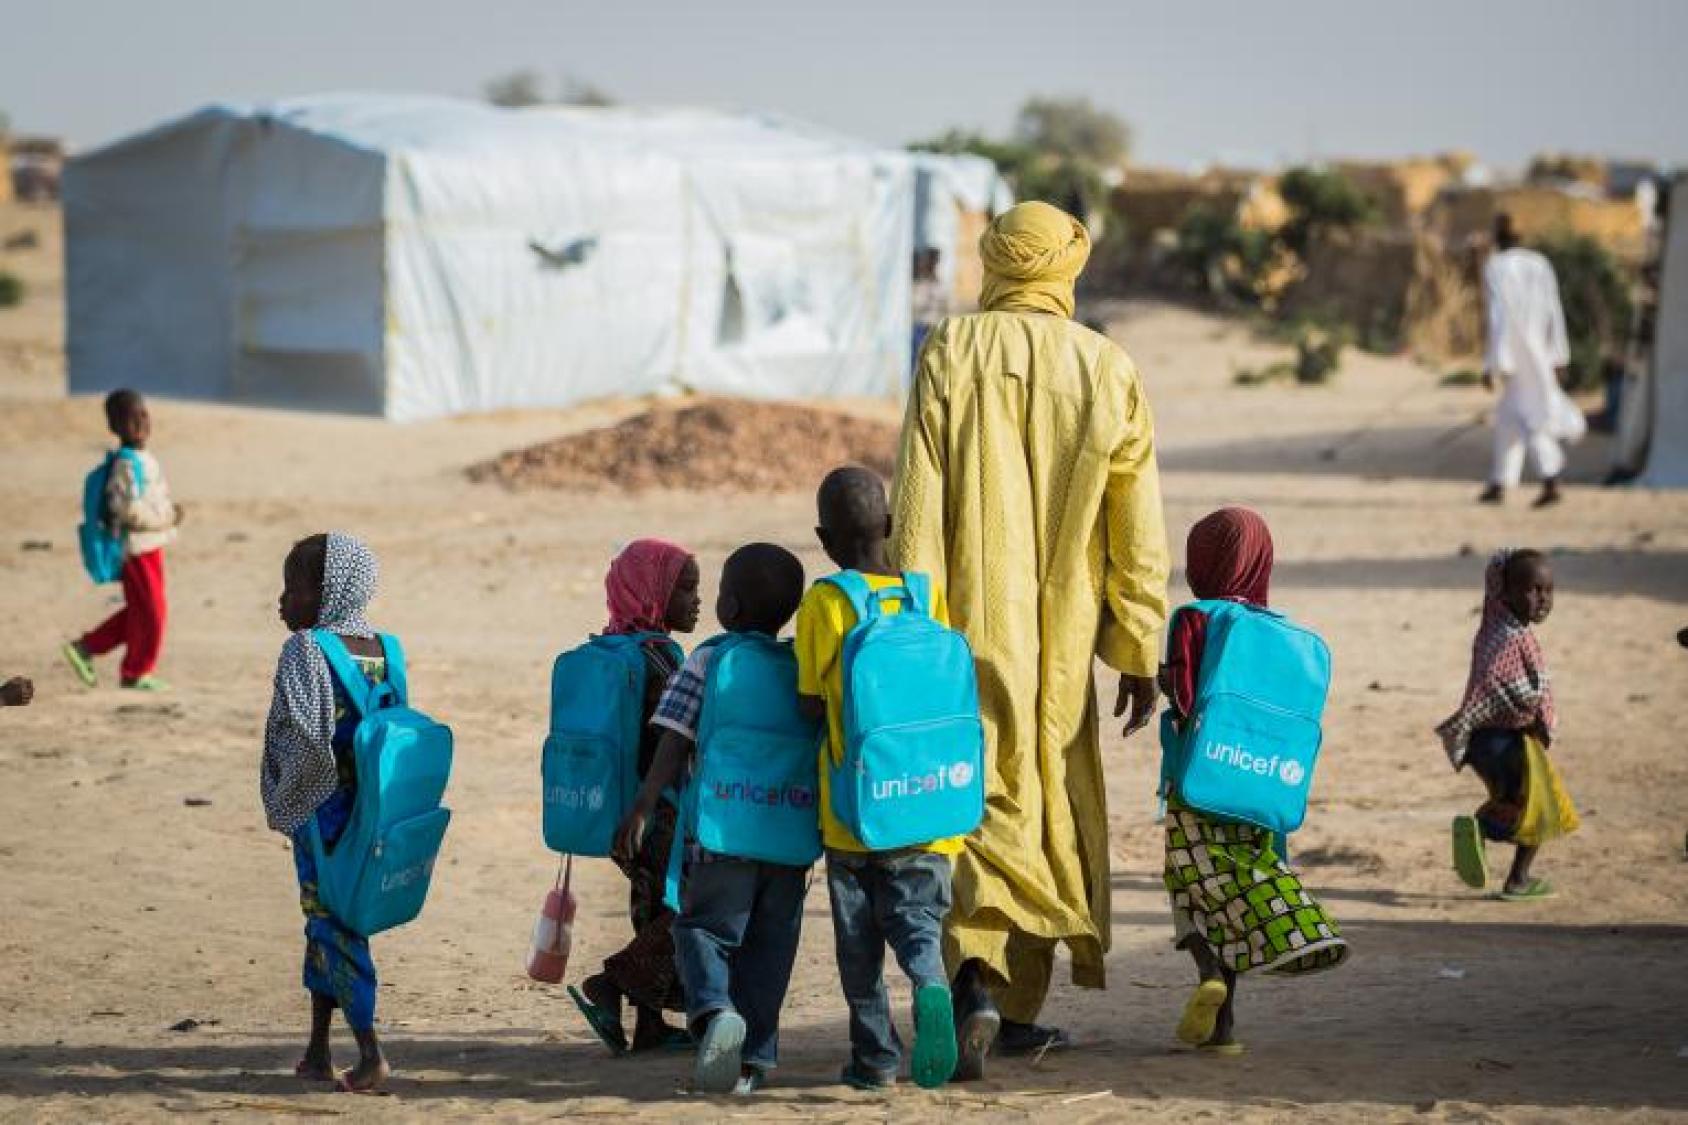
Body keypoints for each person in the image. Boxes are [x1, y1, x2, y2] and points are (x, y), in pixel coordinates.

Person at [891, 200, 1169, 1078]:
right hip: (1061, 642)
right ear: (1066, 266)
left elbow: (916, 505)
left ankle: (971, 981)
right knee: (1043, 797)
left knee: (963, 800)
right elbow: (1138, 526)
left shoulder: (949, 349)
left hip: (955, 632)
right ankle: (1009, 1008)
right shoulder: (1107, 368)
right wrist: (1138, 645)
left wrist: (909, 624)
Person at [613, 543, 811, 1096]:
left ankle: (713, 1011)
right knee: (771, 950)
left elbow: (674, 738)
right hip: (790, 837)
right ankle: (753, 1062)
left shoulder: (709, 659)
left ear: (733, 606)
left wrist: (645, 804)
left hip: (721, 832)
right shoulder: (801, 665)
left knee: (701, 931)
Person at [1158, 508, 1349, 1056]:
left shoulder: (1194, 617)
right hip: (1262, 791)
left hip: (1196, 784)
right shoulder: (1283, 635)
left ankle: (1207, 977)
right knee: (1237, 897)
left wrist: (1157, 681)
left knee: (1191, 889)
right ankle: (1225, 1029)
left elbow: (1185, 698)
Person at [795, 467, 959, 1091]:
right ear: (890, 527)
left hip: (852, 810)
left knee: (859, 947)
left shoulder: (826, 602)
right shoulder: (925, 593)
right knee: (919, 920)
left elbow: (810, 701)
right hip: (928, 803)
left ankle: (876, 1060)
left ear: (823, 537)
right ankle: (930, 982)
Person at [260, 533, 391, 1093]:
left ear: (326, 590)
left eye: (293, 586)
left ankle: (370, 1052)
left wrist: (288, 798)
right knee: (326, 921)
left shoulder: (306, 649)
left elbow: (306, 739)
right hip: (369, 811)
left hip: (322, 816)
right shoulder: (383, 647)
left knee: (334, 925)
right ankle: (317, 1048)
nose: (282, 600)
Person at [570, 539, 702, 1055]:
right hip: (659, 806)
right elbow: (682, 730)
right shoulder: (659, 658)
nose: (695, 600)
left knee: (651, 906)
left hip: (617, 805)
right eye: (684, 588)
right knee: (693, 901)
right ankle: (613, 983)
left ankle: (650, 1026)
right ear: (653, 592)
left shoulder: (612, 649)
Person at [1438, 549, 1579, 899]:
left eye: (1548, 590)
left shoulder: (1495, 628)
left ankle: (1481, 829)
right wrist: (1537, 719)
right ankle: (1517, 877)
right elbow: (1513, 689)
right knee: (1543, 807)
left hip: (1483, 744)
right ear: (1505, 591)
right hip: (1507, 741)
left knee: (1512, 801)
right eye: (1532, 590)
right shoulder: (1509, 638)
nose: (1542, 599)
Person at [62, 390, 183, 691]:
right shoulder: (126, 464)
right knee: (153, 613)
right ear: (115, 427)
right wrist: (167, 518)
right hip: (135, 549)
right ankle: (135, 671)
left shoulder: (142, 458)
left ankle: (86, 648)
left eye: (143, 415)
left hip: (151, 546)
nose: (139, 423)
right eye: (129, 419)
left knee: (142, 611)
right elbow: (126, 510)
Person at [1480, 214, 1586, 508]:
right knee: (1507, 419)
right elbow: (1554, 310)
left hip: (1515, 353)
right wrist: (1558, 354)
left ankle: (1551, 478)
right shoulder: (1540, 263)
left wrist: (1493, 364)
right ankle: (1499, 482)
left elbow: (1496, 317)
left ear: (1497, 236)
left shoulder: (1495, 266)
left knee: (1531, 419)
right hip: (1539, 350)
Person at [911, 247, 952, 369]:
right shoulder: (918, 284)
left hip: (934, 327)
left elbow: (945, 308)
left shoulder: (939, 285)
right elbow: (915, 306)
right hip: (919, 327)